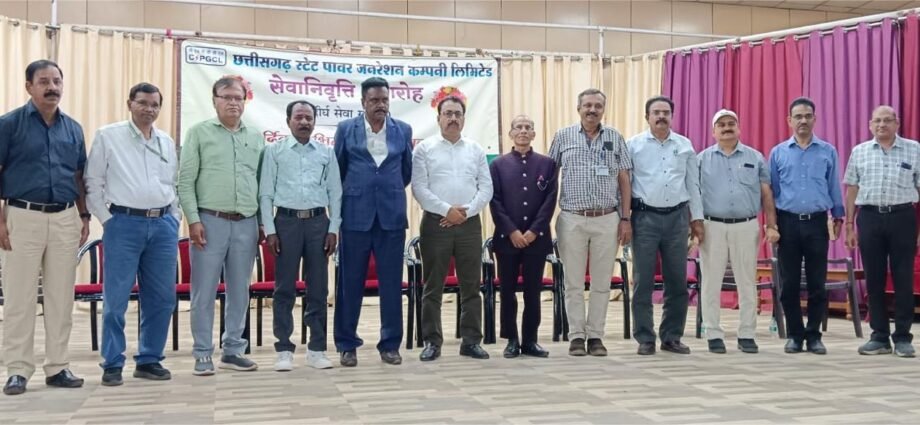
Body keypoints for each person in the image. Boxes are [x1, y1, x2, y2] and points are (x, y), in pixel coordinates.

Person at [0, 59, 90, 396]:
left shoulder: (73, 128)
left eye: (56, 81)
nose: (52, 87)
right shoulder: (9, 124)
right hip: (21, 216)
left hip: (65, 217)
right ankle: (18, 369)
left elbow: (79, 176)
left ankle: (58, 366)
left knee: (60, 297)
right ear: (29, 86)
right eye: (44, 81)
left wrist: (83, 217)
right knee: (19, 298)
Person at [85, 83, 179, 386]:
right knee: (116, 299)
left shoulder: (166, 141)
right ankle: (113, 363)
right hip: (123, 224)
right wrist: (107, 220)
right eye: (143, 103)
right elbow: (92, 182)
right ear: (130, 104)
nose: (149, 109)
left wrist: (174, 217)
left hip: (163, 225)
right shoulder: (108, 135)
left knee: (162, 298)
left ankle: (149, 359)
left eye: (155, 104)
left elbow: (172, 183)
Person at [178, 76, 263, 375]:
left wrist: (261, 223)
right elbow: (185, 182)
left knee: (240, 290)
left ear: (244, 101)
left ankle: (233, 349)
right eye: (226, 97)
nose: (233, 103)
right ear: (214, 100)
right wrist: (193, 220)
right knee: (204, 292)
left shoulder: (256, 137)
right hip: (209, 222)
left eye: (238, 97)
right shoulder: (198, 133)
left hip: (246, 223)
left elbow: (261, 184)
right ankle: (203, 353)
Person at [333, 77, 413, 367]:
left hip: (391, 217)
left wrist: (385, 191)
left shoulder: (403, 129)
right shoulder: (346, 129)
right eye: (375, 100)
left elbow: (406, 172)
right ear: (363, 102)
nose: (381, 105)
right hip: (355, 216)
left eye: (385, 100)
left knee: (391, 284)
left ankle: (390, 344)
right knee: (350, 284)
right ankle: (347, 345)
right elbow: (338, 171)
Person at [548, 88, 632, 357]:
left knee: (601, 282)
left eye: (597, 106)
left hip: (607, 219)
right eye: (587, 105)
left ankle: (595, 336)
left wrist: (626, 218)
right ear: (578, 109)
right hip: (572, 219)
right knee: (572, 282)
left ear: (603, 110)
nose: (592, 110)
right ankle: (576, 336)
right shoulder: (563, 136)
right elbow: (550, 176)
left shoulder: (615, 137)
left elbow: (624, 179)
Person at [260, 100, 341, 371]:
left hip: (319, 223)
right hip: (285, 223)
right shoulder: (274, 151)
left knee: (318, 288)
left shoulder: (326, 153)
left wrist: (333, 229)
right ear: (288, 121)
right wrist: (270, 230)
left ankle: (317, 349)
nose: (304, 122)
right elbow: (265, 193)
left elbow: (335, 194)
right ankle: (284, 349)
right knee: (284, 288)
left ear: (315, 122)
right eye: (299, 117)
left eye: (309, 118)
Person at [412, 95, 493, 361]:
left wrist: (465, 212)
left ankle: (471, 341)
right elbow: (419, 188)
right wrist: (447, 211)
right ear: (439, 119)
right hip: (436, 224)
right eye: (448, 114)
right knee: (432, 286)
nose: (453, 118)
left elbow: (486, 187)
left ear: (464, 119)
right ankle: (432, 342)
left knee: (471, 285)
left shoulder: (475, 149)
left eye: (458, 114)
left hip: (470, 224)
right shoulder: (424, 149)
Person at [768, 97, 844, 355]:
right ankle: (794, 335)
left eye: (807, 116)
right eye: (798, 116)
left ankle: (814, 335)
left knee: (817, 282)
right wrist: (772, 224)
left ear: (814, 119)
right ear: (789, 120)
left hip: (817, 223)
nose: (803, 120)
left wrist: (838, 216)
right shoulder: (778, 153)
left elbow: (833, 186)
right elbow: (772, 192)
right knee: (789, 283)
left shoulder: (827, 151)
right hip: (787, 223)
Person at [699, 109, 779, 354]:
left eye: (731, 123)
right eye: (721, 124)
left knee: (746, 281)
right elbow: (693, 194)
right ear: (713, 132)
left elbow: (766, 194)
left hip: (746, 226)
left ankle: (747, 334)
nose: (727, 127)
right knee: (711, 282)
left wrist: (771, 225)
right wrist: (694, 226)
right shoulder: (701, 159)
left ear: (739, 128)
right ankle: (713, 333)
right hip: (711, 226)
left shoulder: (755, 157)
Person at [627, 96, 701, 356]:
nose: (661, 116)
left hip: (677, 219)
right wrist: (623, 219)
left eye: (666, 112)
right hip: (644, 218)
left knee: (677, 281)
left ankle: (671, 337)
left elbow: (693, 184)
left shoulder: (684, 145)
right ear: (647, 116)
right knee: (643, 281)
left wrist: (697, 219)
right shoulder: (633, 145)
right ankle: (645, 338)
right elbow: (625, 184)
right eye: (656, 112)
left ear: (672, 116)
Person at [844, 105, 919, 358]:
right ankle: (879, 337)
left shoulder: (914, 149)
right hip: (869, 217)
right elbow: (852, 189)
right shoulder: (860, 151)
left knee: (903, 278)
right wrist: (849, 225)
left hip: (903, 217)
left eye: (887, 120)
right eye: (877, 121)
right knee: (874, 279)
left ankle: (903, 338)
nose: (882, 125)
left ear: (897, 123)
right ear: (870, 125)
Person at [489, 115, 557, 358]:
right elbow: (495, 201)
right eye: (518, 127)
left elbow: (550, 200)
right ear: (511, 134)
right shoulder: (498, 165)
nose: (523, 131)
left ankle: (530, 340)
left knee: (532, 291)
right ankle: (511, 339)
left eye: (528, 127)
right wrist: (512, 231)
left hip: (536, 239)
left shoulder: (547, 164)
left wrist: (533, 231)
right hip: (507, 240)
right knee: (507, 291)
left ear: (534, 134)